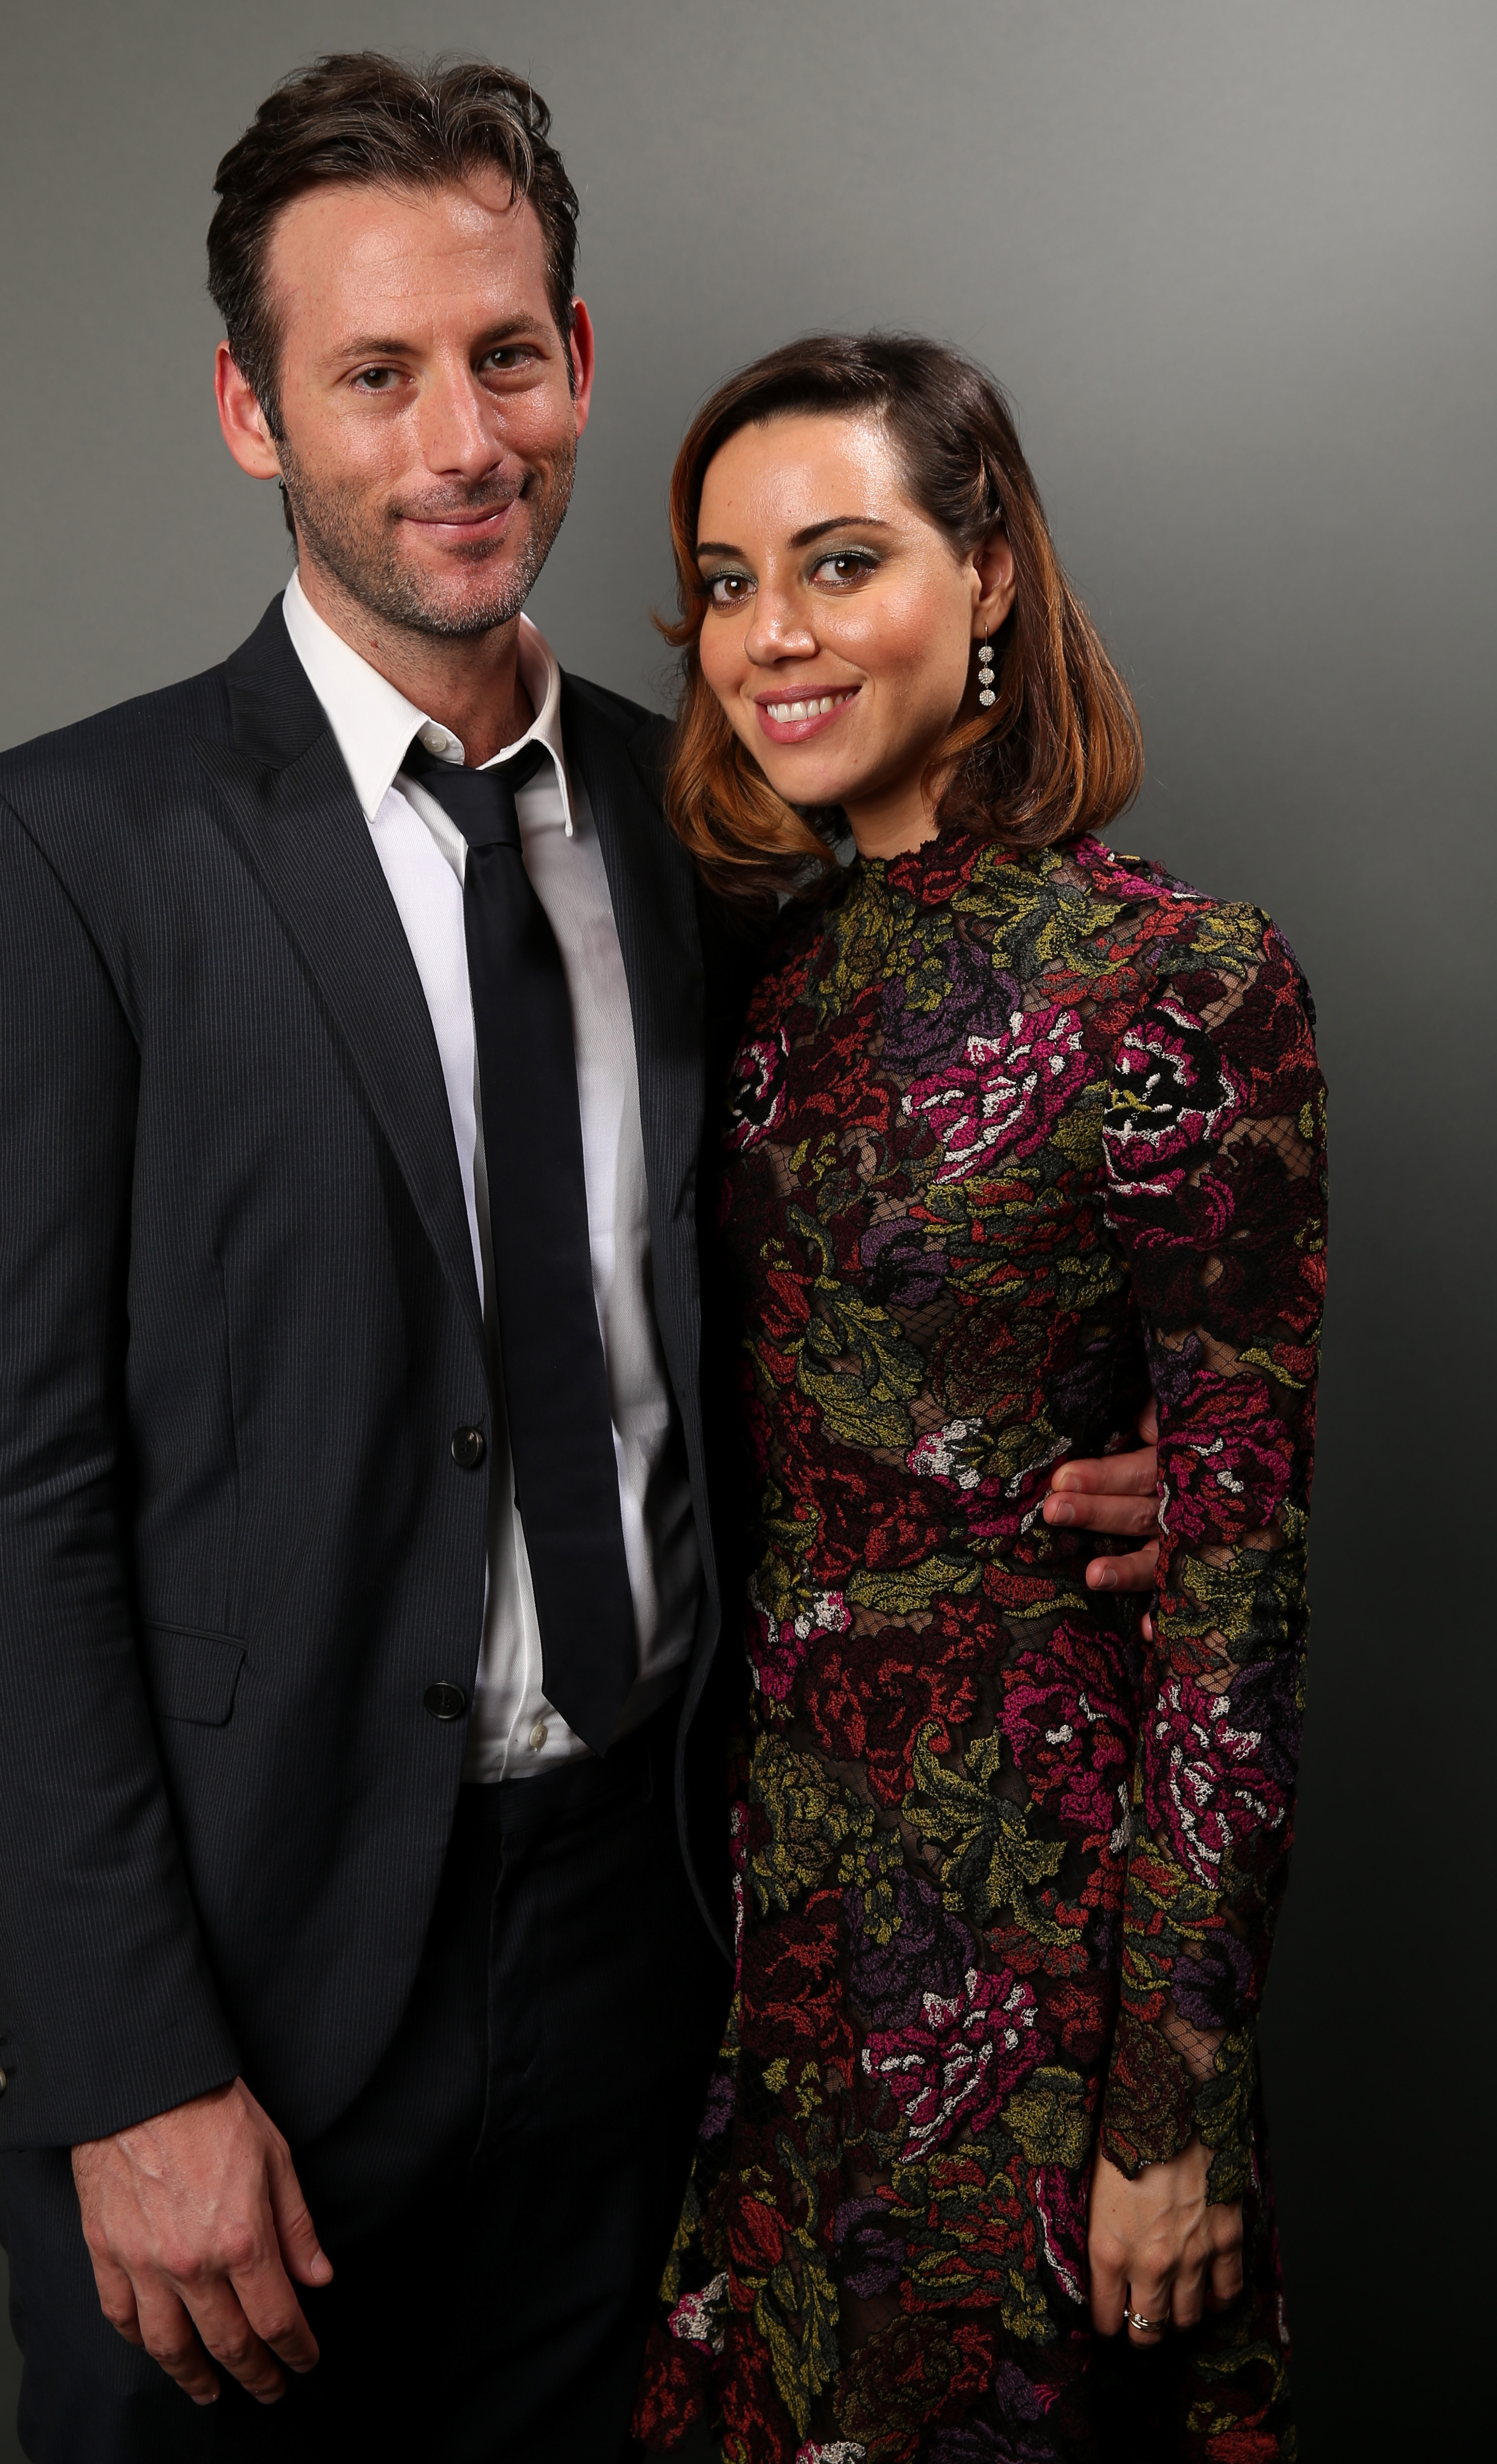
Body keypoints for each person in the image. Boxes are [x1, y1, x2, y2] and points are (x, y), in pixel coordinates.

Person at [0, 56, 1159, 2462]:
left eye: (499, 357)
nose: (456, 437)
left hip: (662, 1952)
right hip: (245, 2007)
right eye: (373, 373)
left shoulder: (716, 838)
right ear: (254, 413)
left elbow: (851, 1294)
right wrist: (130, 2066)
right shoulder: (63, 859)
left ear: (575, 362)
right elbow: (9, 1509)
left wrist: (1101, 1481)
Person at [634, 337, 1323, 2462]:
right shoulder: (754, 993)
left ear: (993, 567)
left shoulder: (1180, 985)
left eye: (840, 563)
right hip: (769, 1950)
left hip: (1037, 1950)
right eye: (729, 586)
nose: (777, 638)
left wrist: (1175, 2112)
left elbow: (1233, 1600)